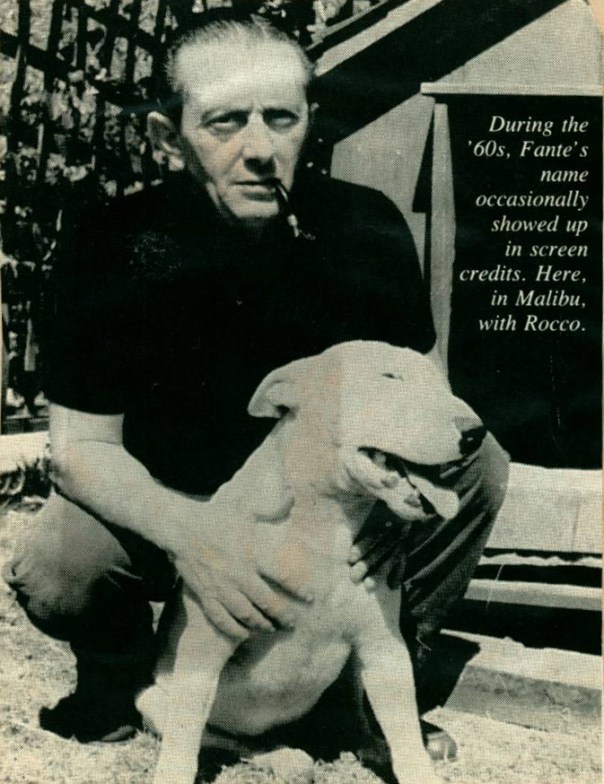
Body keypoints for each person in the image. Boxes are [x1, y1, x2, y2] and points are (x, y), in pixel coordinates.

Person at [4, 11, 509, 766]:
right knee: (59, 564)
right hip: (167, 497)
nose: (260, 149)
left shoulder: (364, 228)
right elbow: (79, 453)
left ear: (311, 121)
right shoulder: (110, 241)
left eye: (281, 118)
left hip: (315, 500)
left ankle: (364, 687)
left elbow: (426, 401)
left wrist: (394, 520)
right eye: (224, 122)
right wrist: (195, 536)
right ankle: (122, 679)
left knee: (478, 466)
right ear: (167, 137)